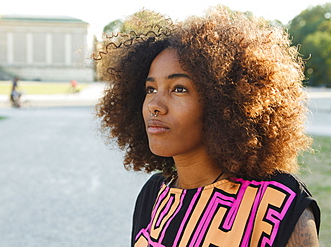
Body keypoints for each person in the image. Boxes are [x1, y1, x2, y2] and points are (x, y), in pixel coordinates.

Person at [95, 6, 321, 247]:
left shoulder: (277, 204)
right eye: (150, 89)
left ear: (223, 102)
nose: (154, 105)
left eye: (179, 89)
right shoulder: (153, 194)